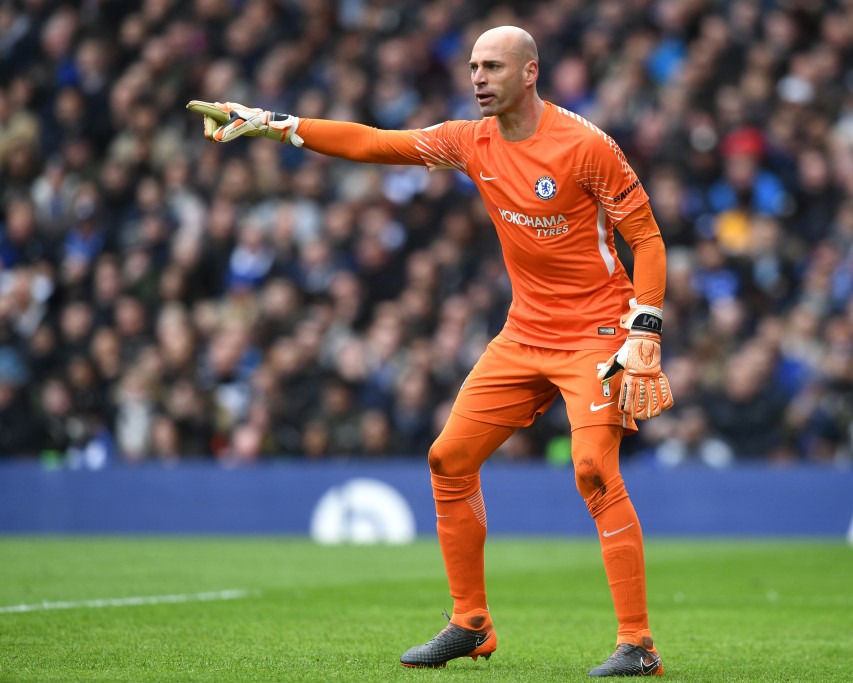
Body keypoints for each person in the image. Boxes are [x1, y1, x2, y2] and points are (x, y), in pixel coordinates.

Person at [191, 25, 673, 677]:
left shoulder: (585, 145)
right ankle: (470, 622)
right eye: (473, 66)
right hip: (524, 331)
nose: (477, 77)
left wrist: (645, 330)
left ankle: (637, 643)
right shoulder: (468, 141)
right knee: (448, 458)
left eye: (493, 67)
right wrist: (272, 123)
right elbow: (374, 143)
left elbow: (646, 239)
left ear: (530, 73)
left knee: (592, 467)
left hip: (598, 330)